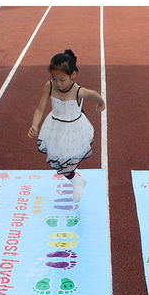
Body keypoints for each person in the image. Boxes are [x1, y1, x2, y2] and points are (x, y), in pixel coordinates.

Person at [28, 49, 105, 202]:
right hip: (54, 127)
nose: (58, 83)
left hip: (74, 129)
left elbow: (94, 94)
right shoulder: (49, 86)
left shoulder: (78, 91)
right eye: (54, 79)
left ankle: (76, 182)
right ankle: (77, 181)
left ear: (73, 75)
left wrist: (101, 104)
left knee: (64, 161)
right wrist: (34, 125)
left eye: (62, 79)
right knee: (57, 161)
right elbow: (40, 108)